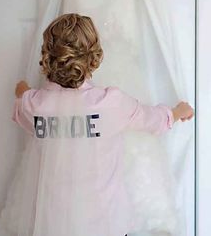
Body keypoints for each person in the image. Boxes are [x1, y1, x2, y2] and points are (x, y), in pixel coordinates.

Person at [13, 13, 194, 236]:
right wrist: (177, 112)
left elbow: (21, 100)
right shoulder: (110, 104)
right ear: (93, 58)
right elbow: (152, 119)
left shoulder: (35, 105)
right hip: (106, 225)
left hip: (52, 225)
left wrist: (21, 88)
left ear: (49, 57)